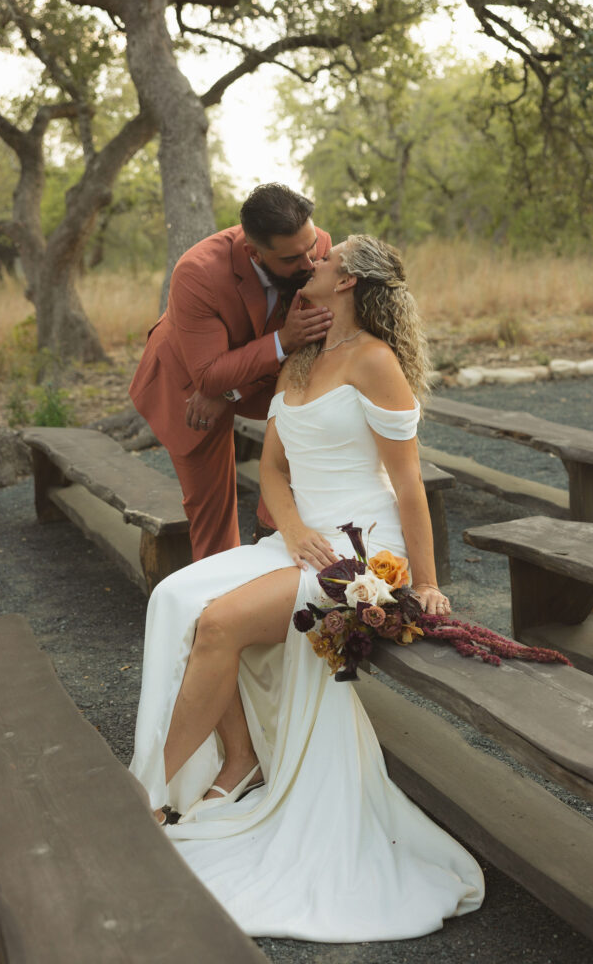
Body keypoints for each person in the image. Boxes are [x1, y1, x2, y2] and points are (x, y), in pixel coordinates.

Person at [130, 234, 485, 942]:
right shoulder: (299, 356)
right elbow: (271, 471)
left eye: (320, 261)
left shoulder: (375, 363)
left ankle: (143, 797)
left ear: (347, 280)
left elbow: (408, 485)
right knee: (173, 596)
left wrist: (427, 582)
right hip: (299, 539)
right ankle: (241, 758)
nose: (308, 264)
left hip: (359, 552)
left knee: (220, 623)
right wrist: (289, 528)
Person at [129, 183, 333, 561]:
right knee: (211, 511)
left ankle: (274, 542)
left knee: (310, 431)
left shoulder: (314, 245)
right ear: (254, 253)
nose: (309, 263)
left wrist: (230, 391)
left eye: (311, 247)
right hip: (187, 383)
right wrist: (281, 343)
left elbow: (308, 342)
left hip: (256, 374)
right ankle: (217, 601)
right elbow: (207, 376)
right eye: (292, 259)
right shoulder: (197, 271)